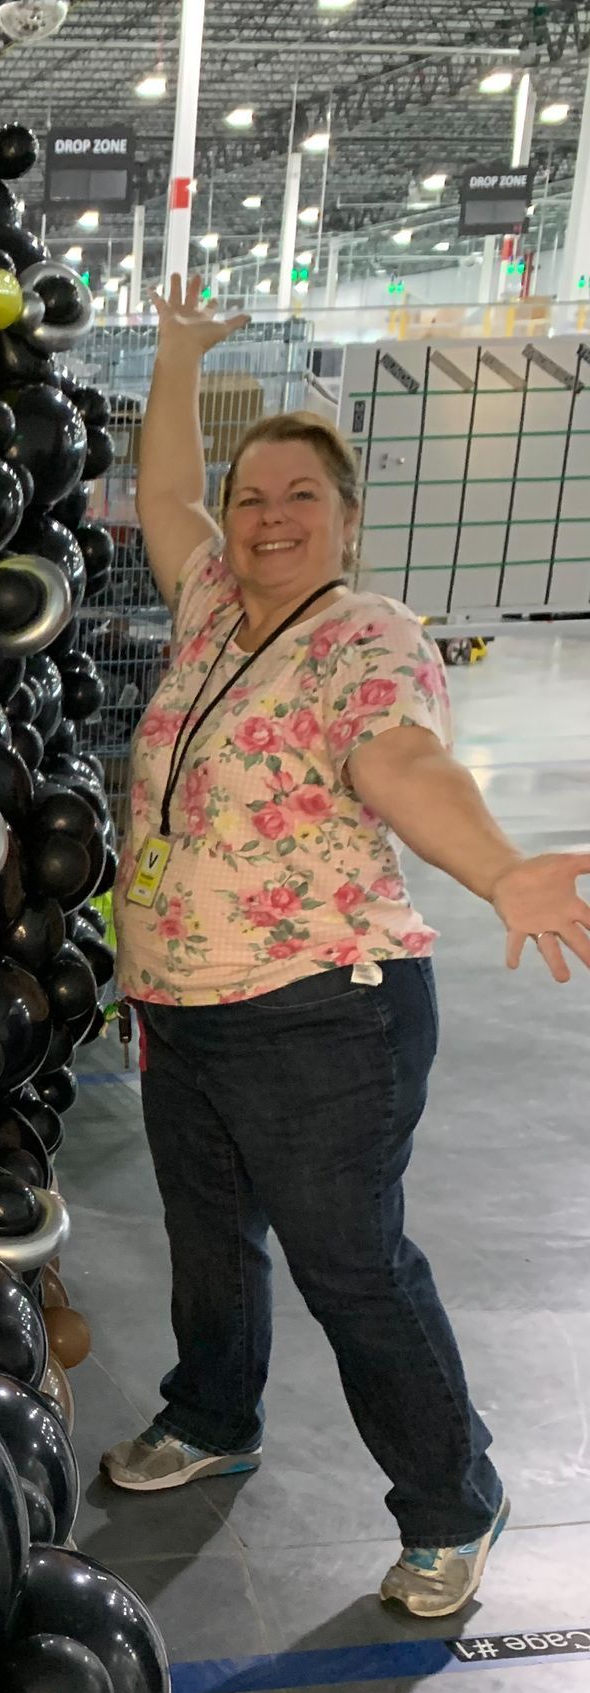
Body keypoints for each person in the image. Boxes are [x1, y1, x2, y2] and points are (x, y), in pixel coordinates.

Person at [100, 278, 590, 1617]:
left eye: (297, 498)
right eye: (253, 496)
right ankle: (211, 1417)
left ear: (345, 521)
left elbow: (402, 764)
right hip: (185, 1006)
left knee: (351, 1265)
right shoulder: (209, 605)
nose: (264, 517)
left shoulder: (365, 642)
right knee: (210, 1241)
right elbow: (163, 498)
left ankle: (454, 1498)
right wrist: (184, 362)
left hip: (326, 1013)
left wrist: (500, 871)